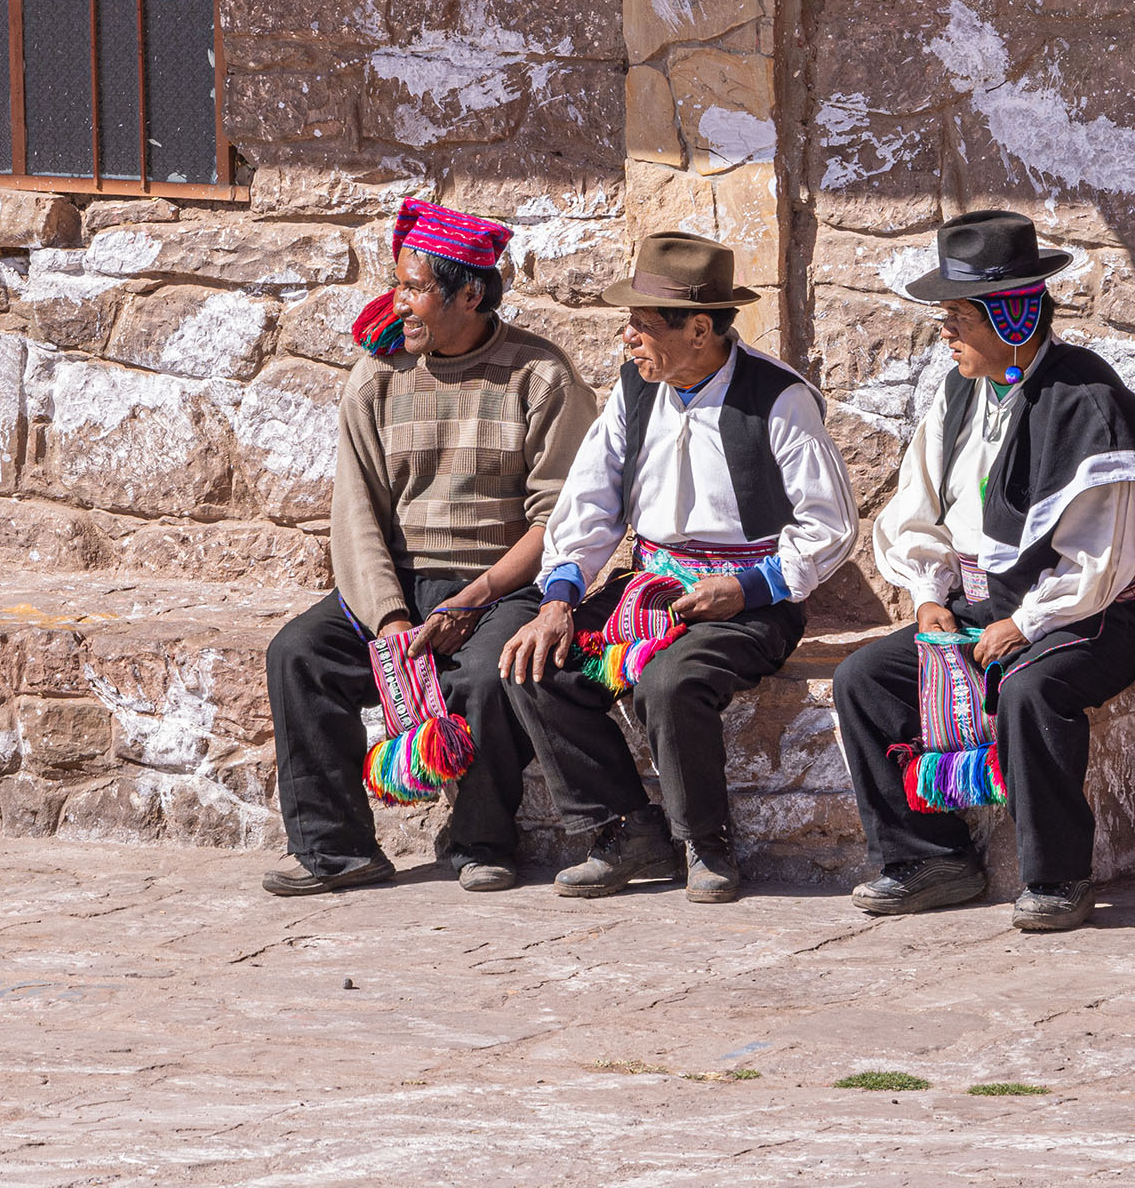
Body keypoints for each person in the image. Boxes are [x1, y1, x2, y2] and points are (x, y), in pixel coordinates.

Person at [832, 210, 1135, 933]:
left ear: (1014, 315)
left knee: (1031, 690)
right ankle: (929, 858)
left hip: (1087, 614)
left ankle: (1058, 878)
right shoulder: (959, 393)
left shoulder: (1087, 403)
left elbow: (1105, 556)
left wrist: (1026, 623)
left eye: (959, 317)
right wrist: (928, 594)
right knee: (864, 678)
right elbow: (919, 503)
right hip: (980, 606)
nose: (945, 332)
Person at [500, 232, 858, 904]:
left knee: (671, 682)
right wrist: (559, 597)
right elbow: (589, 501)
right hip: (651, 587)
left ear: (699, 329)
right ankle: (624, 829)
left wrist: (749, 587)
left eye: (642, 324)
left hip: (753, 599)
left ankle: (705, 841)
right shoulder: (635, 391)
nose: (628, 338)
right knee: (540, 666)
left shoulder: (778, 398)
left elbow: (830, 526)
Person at [262, 200, 594, 897]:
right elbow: (357, 514)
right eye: (397, 285)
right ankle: (335, 850)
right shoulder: (378, 375)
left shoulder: (541, 376)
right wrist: (389, 620)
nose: (398, 303)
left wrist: (473, 601)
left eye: (413, 288)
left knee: (492, 675)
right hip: (399, 583)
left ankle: (479, 841)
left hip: (503, 585)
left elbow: (558, 520)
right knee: (300, 654)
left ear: (469, 294)